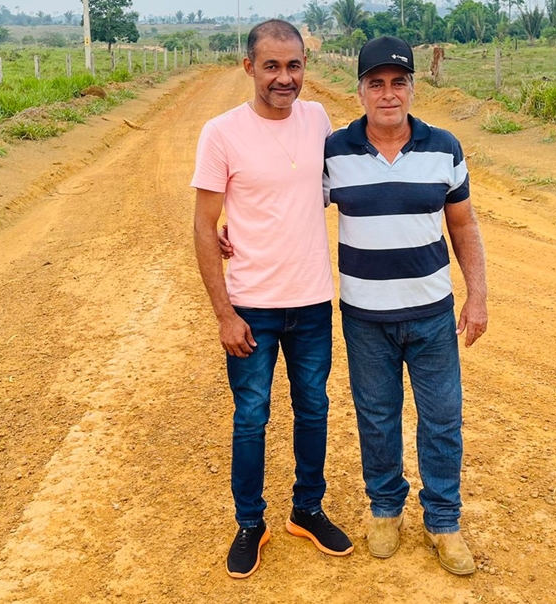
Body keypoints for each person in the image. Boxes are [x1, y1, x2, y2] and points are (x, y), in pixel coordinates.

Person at [191, 19, 353, 580]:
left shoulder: (317, 120)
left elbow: (325, 193)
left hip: (311, 300)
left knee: (314, 408)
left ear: (305, 66)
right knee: (251, 417)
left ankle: (307, 509)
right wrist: (224, 313)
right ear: (249, 67)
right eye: (272, 66)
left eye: (294, 66)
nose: (284, 78)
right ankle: (249, 523)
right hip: (252, 305)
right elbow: (203, 223)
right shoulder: (221, 132)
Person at [322, 36, 488, 575]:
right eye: (376, 83)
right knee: (377, 416)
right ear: (362, 90)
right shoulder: (334, 151)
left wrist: (477, 295)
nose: (388, 94)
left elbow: (463, 224)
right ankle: (386, 510)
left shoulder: (445, 147)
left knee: (442, 419)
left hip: (431, 312)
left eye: (398, 83)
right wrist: (237, 234)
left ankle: (443, 522)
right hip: (364, 315)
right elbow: (287, 209)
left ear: (413, 86)